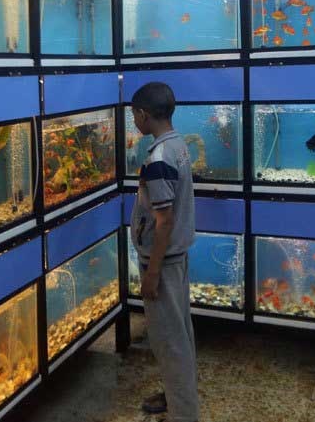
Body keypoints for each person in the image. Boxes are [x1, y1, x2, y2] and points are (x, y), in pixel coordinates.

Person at [129, 82, 199, 422]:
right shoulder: (177, 144)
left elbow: (164, 220)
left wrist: (152, 273)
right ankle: (177, 395)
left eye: (134, 115)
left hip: (163, 262)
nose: (134, 121)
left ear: (143, 115)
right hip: (176, 258)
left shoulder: (158, 159)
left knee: (170, 341)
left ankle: (184, 413)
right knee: (180, 332)